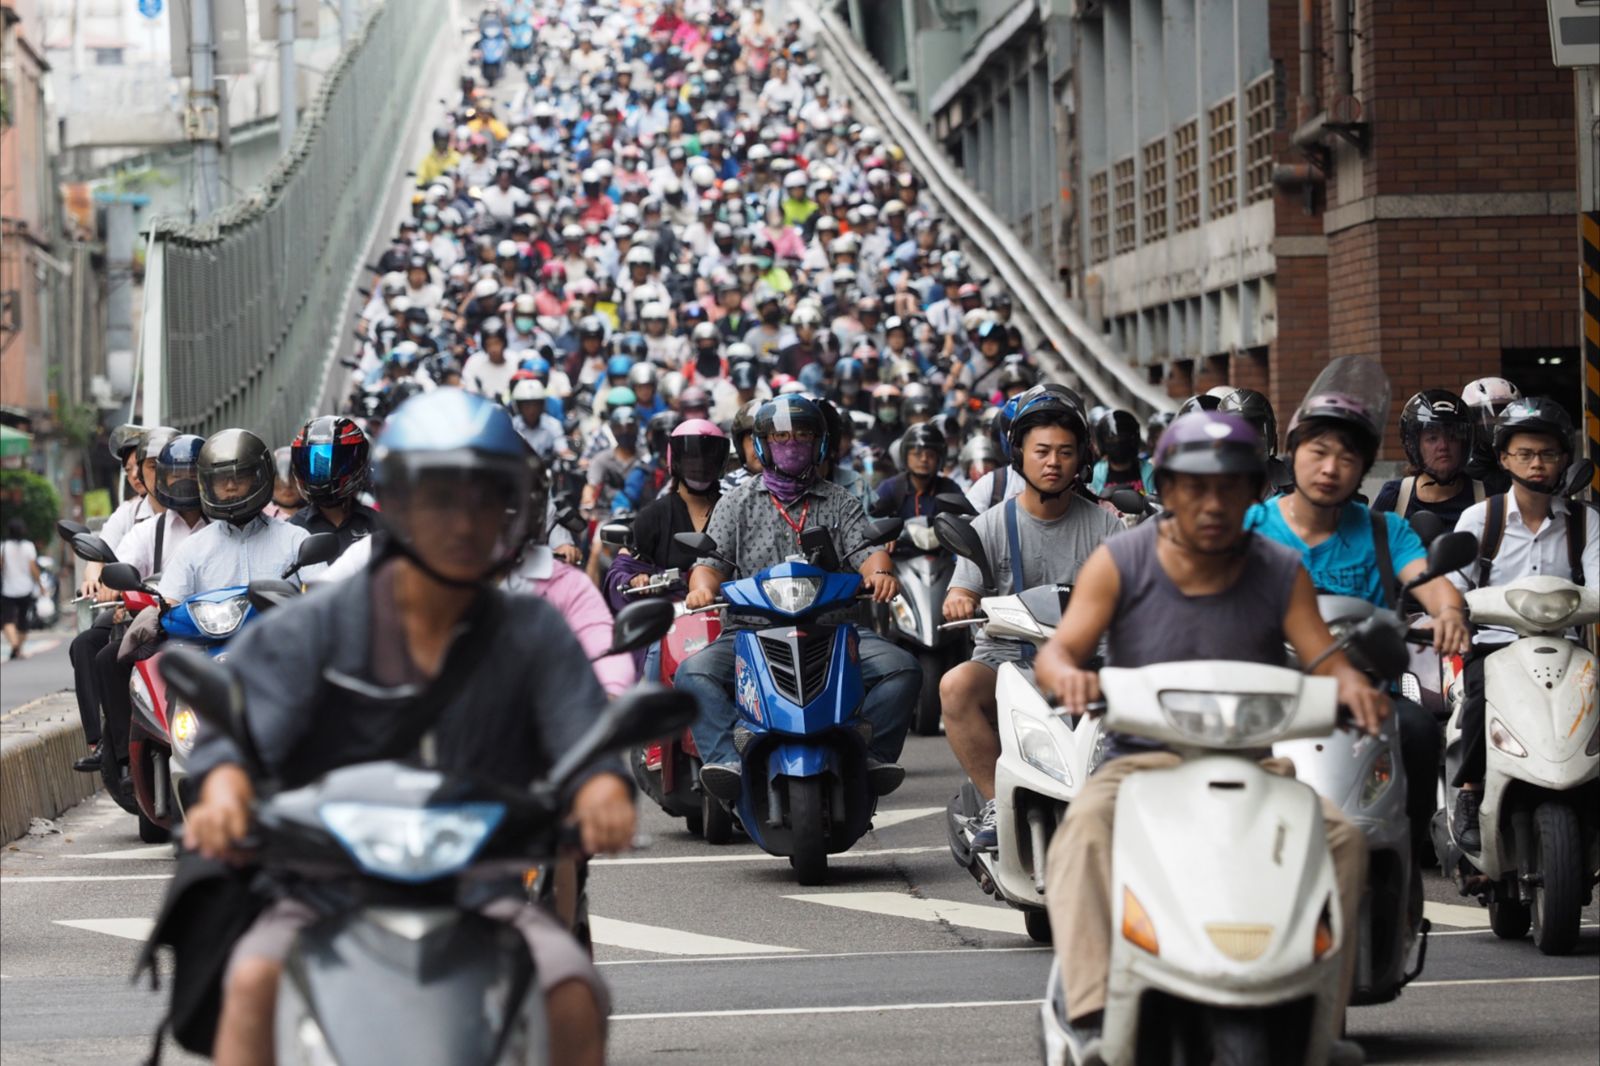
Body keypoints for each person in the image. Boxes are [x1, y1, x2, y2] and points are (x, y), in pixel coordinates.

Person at [183, 389, 628, 1066]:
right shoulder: (317, 624)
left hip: (482, 892)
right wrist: (223, 788)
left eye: (485, 496)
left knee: (571, 992)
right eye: (440, 497)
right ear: (398, 503)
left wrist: (600, 787)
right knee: (252, 981)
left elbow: (580, 725)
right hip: (329, 890)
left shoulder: (532, 629)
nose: (464, 519)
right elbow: (240, 723)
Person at [1034, 411, 1385, 1058]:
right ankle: (1089, 1016)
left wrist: (1354, 686)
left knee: (1342, 840)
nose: (1213, 503)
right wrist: (1070, 678)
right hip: (1140, 766)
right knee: (1082, 831)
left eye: (1231, 487)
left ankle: (1321, 1024)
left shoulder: (1280, 569)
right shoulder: (1121, 560)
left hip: (1255, 766)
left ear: (1255, 492)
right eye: (1195, 486)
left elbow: (1323, 659)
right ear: (1165, 489)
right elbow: (1060, 653)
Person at [1247, 377, 1470, 841]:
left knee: (1420, 732)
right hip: (1275, 694)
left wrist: (1448, 612)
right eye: (1318, 452)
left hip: (1369, 695)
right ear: (1292, 453)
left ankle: (1406, 859)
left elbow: (1430, 582)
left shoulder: (1386, 531)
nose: (1330, 468)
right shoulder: (1252, 527)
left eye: (1346, 457)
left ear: (1363, 468)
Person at [677, 396, 920, 801]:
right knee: (692, 674)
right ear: (762, 444)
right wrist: (701, 587)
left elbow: (869, 551)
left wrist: (879, 574)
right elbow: (710, 562)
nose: (792, 445)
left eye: (803, 436)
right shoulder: (735, 503)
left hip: (833, 631)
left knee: (903, 669)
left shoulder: (841, 501)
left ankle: (868, 756)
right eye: (781, 437)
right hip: (749, 634)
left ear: (820, 444)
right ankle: (728, 761)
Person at [940, 391, 1122, 848]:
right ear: (1019, 453)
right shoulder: (991, 524)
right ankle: (996, 802)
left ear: (1082, 457)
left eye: (1065, 451)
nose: (1054, 463)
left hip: (1088, 666)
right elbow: (961, 589)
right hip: (1008, 664)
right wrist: (959, 601)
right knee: (954, 687)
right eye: (1042, 451)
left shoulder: (1107, 527)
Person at [1445, 397, 1597, 851]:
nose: (1537, 464)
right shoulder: (1480, 518)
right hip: (1494, 649)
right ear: (1505, 457)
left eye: (1548, 454)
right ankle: (1471, 793)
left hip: (1566, 651)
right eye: (1525, 453)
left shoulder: (1585, 523)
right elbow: (1453, 585)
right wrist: (1452, 611)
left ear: (1564, 459)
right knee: (1477, 699)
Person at [93, 434, 209, 776]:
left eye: (193, 473)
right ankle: (126, 761)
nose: (183, 482)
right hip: (165, 623)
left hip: (216, 624)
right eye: (174, 474)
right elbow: (120, 563)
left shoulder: (226, 525)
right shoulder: (149, 530)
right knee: (107, 659)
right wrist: (111, 587)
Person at [604, 420, 730, 680]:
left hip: (730, 617)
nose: (700, 465)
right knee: (652, 658)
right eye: (691, 458)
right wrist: (634, 580)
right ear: (675, 461)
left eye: (707, 457)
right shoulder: (654, 515)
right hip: (670, 622)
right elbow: (623, 566)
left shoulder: (734, 509)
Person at [159, 429, 320, 604]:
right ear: (209, 484)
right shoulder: (193, 548)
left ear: (257, 478)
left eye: (240, 477)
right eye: (221, 479)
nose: (230, 486)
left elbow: (322, 594)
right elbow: (169, 604)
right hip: (213, 632)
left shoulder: (294, 539)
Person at [1371, 389, 1485, 527]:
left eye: (1452, 437)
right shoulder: (1395, 496)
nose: (1443, 446)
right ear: (1414, 445)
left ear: (1465, 443)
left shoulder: (1486, 498)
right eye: (1432, 438)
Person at [288, 416, 379, 555]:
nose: (322, 474)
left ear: (358, 462)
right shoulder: (290, 531)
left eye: (335, 463)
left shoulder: (380, 525)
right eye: (312, 462)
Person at [871, 423, 963, 519]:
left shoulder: (950, 489)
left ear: (939, 459)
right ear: (905, 456)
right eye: (917, 454)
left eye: (930, 454)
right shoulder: (892, 487)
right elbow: (869, 516)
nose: (924, 459)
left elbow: (965, 520)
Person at [1460, 376, 1520, 494]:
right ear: (1471, 420)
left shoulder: (1526, 464)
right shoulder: (1460, 470)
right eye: (1489, 415)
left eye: (1504, 414)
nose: (1497, 420)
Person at [1086, 410, 1154, 497]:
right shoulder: (1097, 474)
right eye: (1112, 439)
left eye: (1123, 437)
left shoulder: (1149, 472)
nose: (1118, 443)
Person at [1, 517, 40, 661]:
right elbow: (33, 568)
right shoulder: (29, 546)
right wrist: (40, 585)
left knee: (8, 620)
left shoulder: (3, 547)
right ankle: (18, 647)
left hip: (8, 589)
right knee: (23, 620)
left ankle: (14, 645)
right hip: (26, 588)